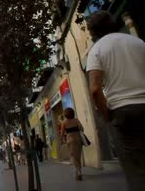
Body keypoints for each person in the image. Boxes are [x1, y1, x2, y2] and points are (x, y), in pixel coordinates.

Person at [86, 10, 145, 190]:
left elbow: (95, 89)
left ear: (92, 31)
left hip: (122, 112)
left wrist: (107, 117)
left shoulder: (96, 50)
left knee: (136, 170)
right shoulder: (138, 42)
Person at [60, 108, 84, 181]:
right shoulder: (76, 120)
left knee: (74, 156)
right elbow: (82, 129)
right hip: (78, 140)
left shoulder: (64, 122)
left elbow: (62, 133)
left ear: (65, 114)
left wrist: (62, 140)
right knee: (78, 156)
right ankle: (79, 171)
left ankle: (78, 171)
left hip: (70, 141)